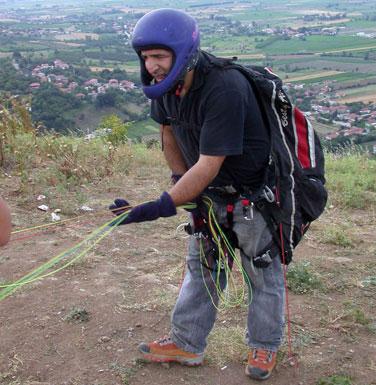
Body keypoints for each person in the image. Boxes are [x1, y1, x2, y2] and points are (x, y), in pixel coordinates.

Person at [110, 8, 285, 381]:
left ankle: (264, 346)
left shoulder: (224, 87)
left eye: (159, 56)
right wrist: (178, 180)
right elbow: (169, 133)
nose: (152, 65)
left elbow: (209, 163)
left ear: (183, 53)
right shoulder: (168, 86)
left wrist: (163, 204)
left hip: (250, 196)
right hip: (209, 196)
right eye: (145, 57)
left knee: (261, 273)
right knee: (202, 268)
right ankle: (187, 343)